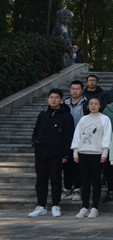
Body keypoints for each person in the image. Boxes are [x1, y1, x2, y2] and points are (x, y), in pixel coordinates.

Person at [28, 89, 74, 218]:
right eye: (51, 97)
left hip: (57, 154)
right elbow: (36, 131)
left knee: (56, 180)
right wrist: (36, 143)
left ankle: (55, 205)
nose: (53, 100)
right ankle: (41, 205)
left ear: (61, 100)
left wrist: (66, 154)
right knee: (41, 180)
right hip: (41, 153)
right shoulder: (43, 114)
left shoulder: (66, 116)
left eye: (56, 97)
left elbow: (69, 136)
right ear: (48, 99)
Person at [71, 97, 112, 219]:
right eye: (91, 104)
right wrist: (75, 152)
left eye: (96, 104)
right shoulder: (83, 119)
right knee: (84, 181)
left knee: (96, 181)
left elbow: (107, 136)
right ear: (87, 105)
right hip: (83, 152)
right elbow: (77, 136)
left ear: (100, 105)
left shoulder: (104, 119)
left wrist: (105, 153)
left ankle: (95, 207)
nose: (93, 106)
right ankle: (84, 206)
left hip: (97, 153)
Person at [63, 80, 87, 201]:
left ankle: (77, 188)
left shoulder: (86, 103)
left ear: (82, 90)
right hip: (66, 138)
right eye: (73, 89)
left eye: (77, 89)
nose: (75, 91)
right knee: (67, 164)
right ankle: (67, 188)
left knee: (78, 164)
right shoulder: (64, 103)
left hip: (81, 139)